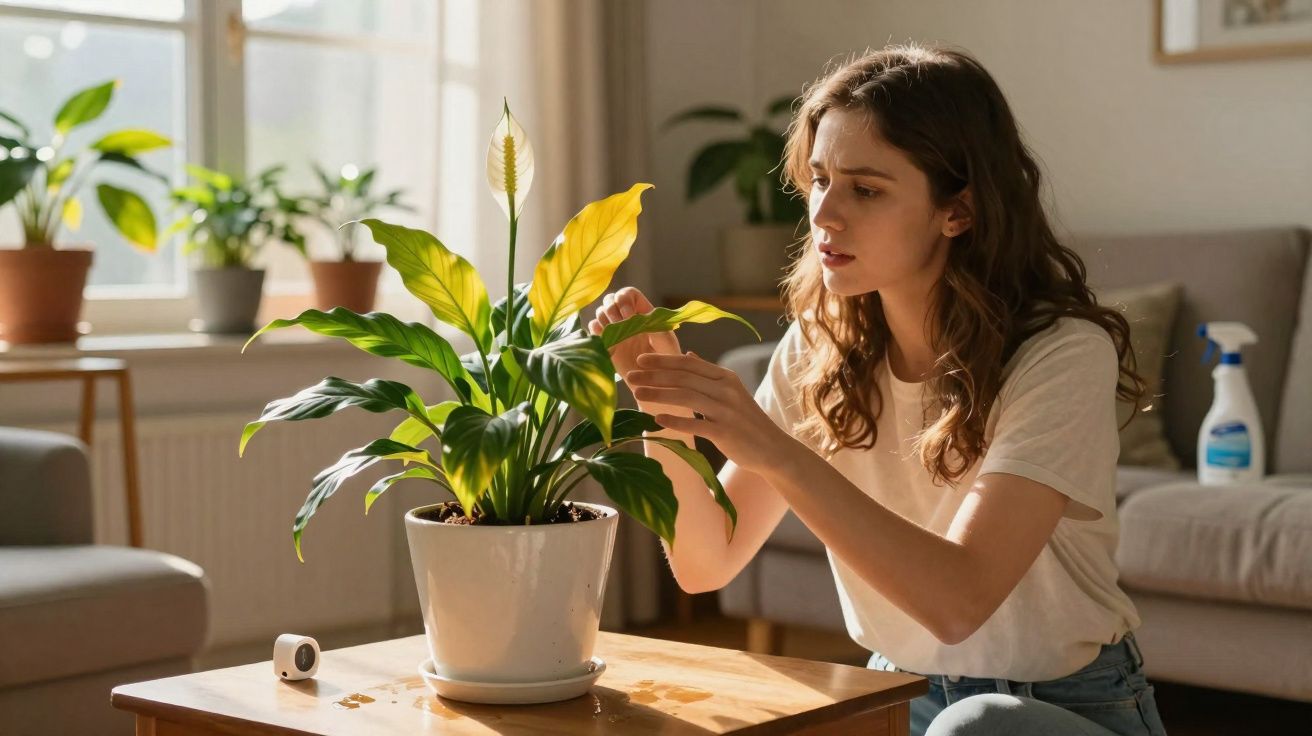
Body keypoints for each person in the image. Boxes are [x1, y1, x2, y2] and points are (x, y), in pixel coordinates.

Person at [588, 43, 1169, 736]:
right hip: (898, 692)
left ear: (958, 211)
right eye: (821, 179)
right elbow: (704, 561)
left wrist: (774, 449)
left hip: (1064, 706)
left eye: (866, 190)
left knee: (976, 727)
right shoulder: (821, 350)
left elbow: (959, 601)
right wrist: (667, 410)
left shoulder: (1061, 354)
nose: (825, 214)